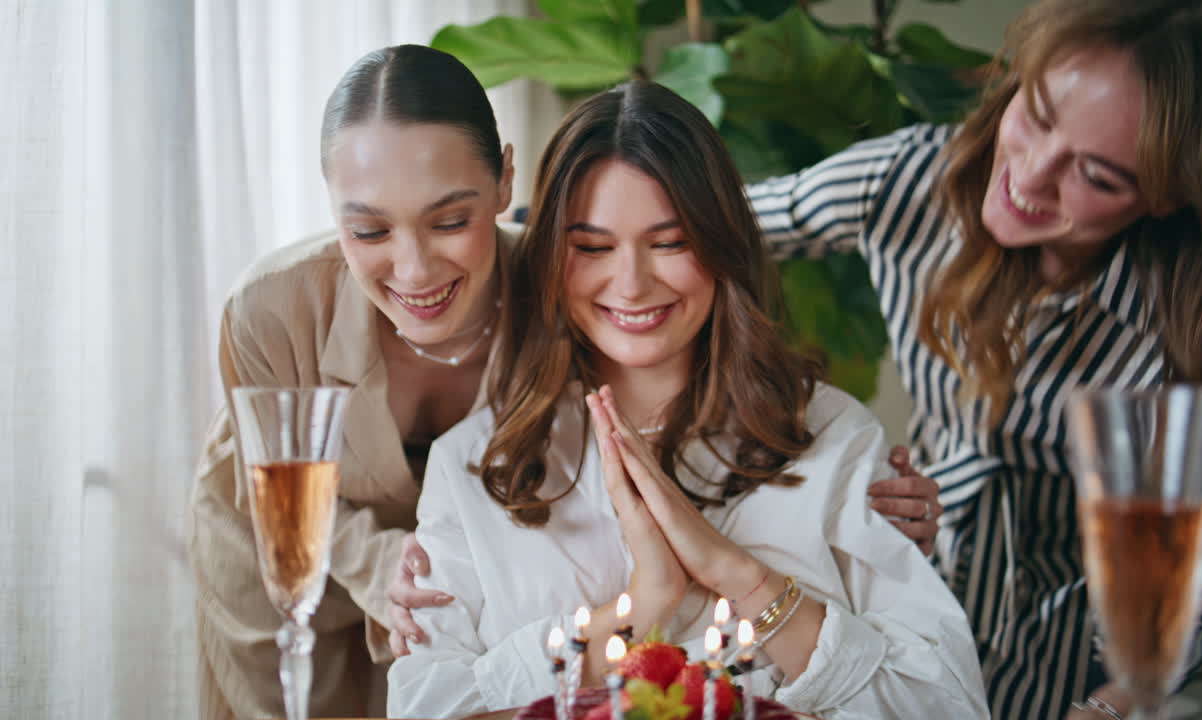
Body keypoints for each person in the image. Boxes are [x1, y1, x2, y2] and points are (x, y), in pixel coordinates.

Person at [385, 80, 988, 720]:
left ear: (720, 242)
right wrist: (644, 602)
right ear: (552, 259)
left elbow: (943, 703)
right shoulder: (476, 464)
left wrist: (735, 572)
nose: (632, 283)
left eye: (670, 243)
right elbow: (428, 708)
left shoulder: (833, 437)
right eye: (592, 247)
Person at [746, 1, 1202, 718]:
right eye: (1036, 115)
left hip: (1078, 651)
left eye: (1097, 175)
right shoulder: (907, 181)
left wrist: (1109, 708)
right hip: (908, 592)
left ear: (1170, 192)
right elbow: (710, 223)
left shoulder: (1191, 327)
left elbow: (1171, 604)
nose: (1029, 176)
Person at [187, 44, 518, 719]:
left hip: (460, 588)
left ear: (506, 181)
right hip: (276, 557)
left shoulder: (560, 300)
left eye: (451, 221)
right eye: (368, 229)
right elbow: (275, 489)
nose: (414, 269)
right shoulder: (268, 311)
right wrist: (376, 564)